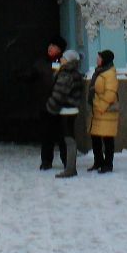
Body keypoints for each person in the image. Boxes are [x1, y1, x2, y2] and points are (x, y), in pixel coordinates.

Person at [46, 49, 85, 178]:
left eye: (63, 57)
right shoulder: (75, 73)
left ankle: (70, 168)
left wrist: (50, 106)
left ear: (68, 60)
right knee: (70, 138)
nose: (61, 59)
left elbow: (59, 93)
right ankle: (70, 167)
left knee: (69, 139)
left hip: (66, 109)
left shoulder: (66, 74)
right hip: (72, 109)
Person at [32, 36, 67, 171]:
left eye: (53, 46)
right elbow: (32, 75)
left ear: (60, 49)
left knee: (63, 135)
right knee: (46, 135)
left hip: (61, 105)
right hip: (46, 105)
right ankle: (46, 161)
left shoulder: (65, 63)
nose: (50, 48)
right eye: (50, 45)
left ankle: (67, 161)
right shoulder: (41, 63)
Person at [87, 50, 119, 173]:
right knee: (95, 137)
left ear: (105, 59)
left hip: (105, 112)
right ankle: (98, 161)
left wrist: (100, 106)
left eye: (99, 57)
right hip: (98, 111)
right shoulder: (100, 71)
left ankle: (108, 164)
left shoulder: (110, 73)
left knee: (107, 138)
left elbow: (110, 94)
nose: (97, 59)